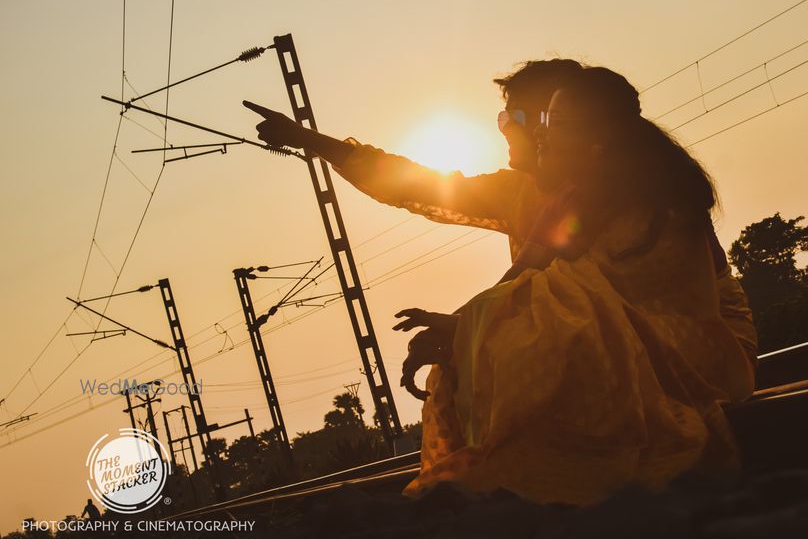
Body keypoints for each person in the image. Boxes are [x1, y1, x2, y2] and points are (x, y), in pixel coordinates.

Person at [242, 60, 757, 401]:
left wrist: (472, 326)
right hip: (613, 353)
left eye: (515, 115)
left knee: (516, 335)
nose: (506, 127)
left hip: (691, 350)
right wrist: (315, 142)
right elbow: (413, 185)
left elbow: (566, 297)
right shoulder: (521, 191)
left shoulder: (637, 187)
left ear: (551, 125)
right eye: (502, 116)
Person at [394, 67, 754, 505]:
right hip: (637, 348)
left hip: (699, 354)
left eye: (553, 124)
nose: (541, 135)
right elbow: (524, 283)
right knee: (518, 331)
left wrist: (471, 326)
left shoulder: (654, 199)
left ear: (596, 142)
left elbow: (598, 305)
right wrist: (463, 328)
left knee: (558, 331)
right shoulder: (569, 199)